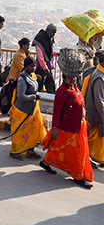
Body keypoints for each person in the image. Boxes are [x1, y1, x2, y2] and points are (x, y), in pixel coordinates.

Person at [40, 48, 93, 188]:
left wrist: (85, 120)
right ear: (64, 77)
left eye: (74, 78)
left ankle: (46, 162)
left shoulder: (75, 89)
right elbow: (57, 111)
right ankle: (77, 175)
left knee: (63, 150)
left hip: (78, 126)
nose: (73, 79)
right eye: (71, 78)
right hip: (67, 127)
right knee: (75, 152)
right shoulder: (62, 91)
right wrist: (55, 127)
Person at [9, 57, 46, 160]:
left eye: (34, 66)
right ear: (26, 66)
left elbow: (34, 81)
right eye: (31, 66)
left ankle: (31, 150)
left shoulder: (32, 76)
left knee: (34, 130)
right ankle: (14, 151)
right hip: (22, 110)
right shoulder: (22, 79)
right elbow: (21, 96)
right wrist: (33, 97)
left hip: (32, 110)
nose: (33, 68)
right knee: (20, 131)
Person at [84, 50, 104, 166]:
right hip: (95, 114)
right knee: (93, 139)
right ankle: (89, 158)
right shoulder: (99, 78)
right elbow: (99, 101)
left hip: (97, 113)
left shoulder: (98, 73)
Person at [33, 24, 57, 93]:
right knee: (38, 87)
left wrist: (57, 54)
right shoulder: (40, 39)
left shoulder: (48, 40)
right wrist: (45, 68)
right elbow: (40, 57)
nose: (53, 34)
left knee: (51, 87)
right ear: (48, 30)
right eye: (52, 32)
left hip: (48, 67)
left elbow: (49, 52)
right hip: (41, 68)